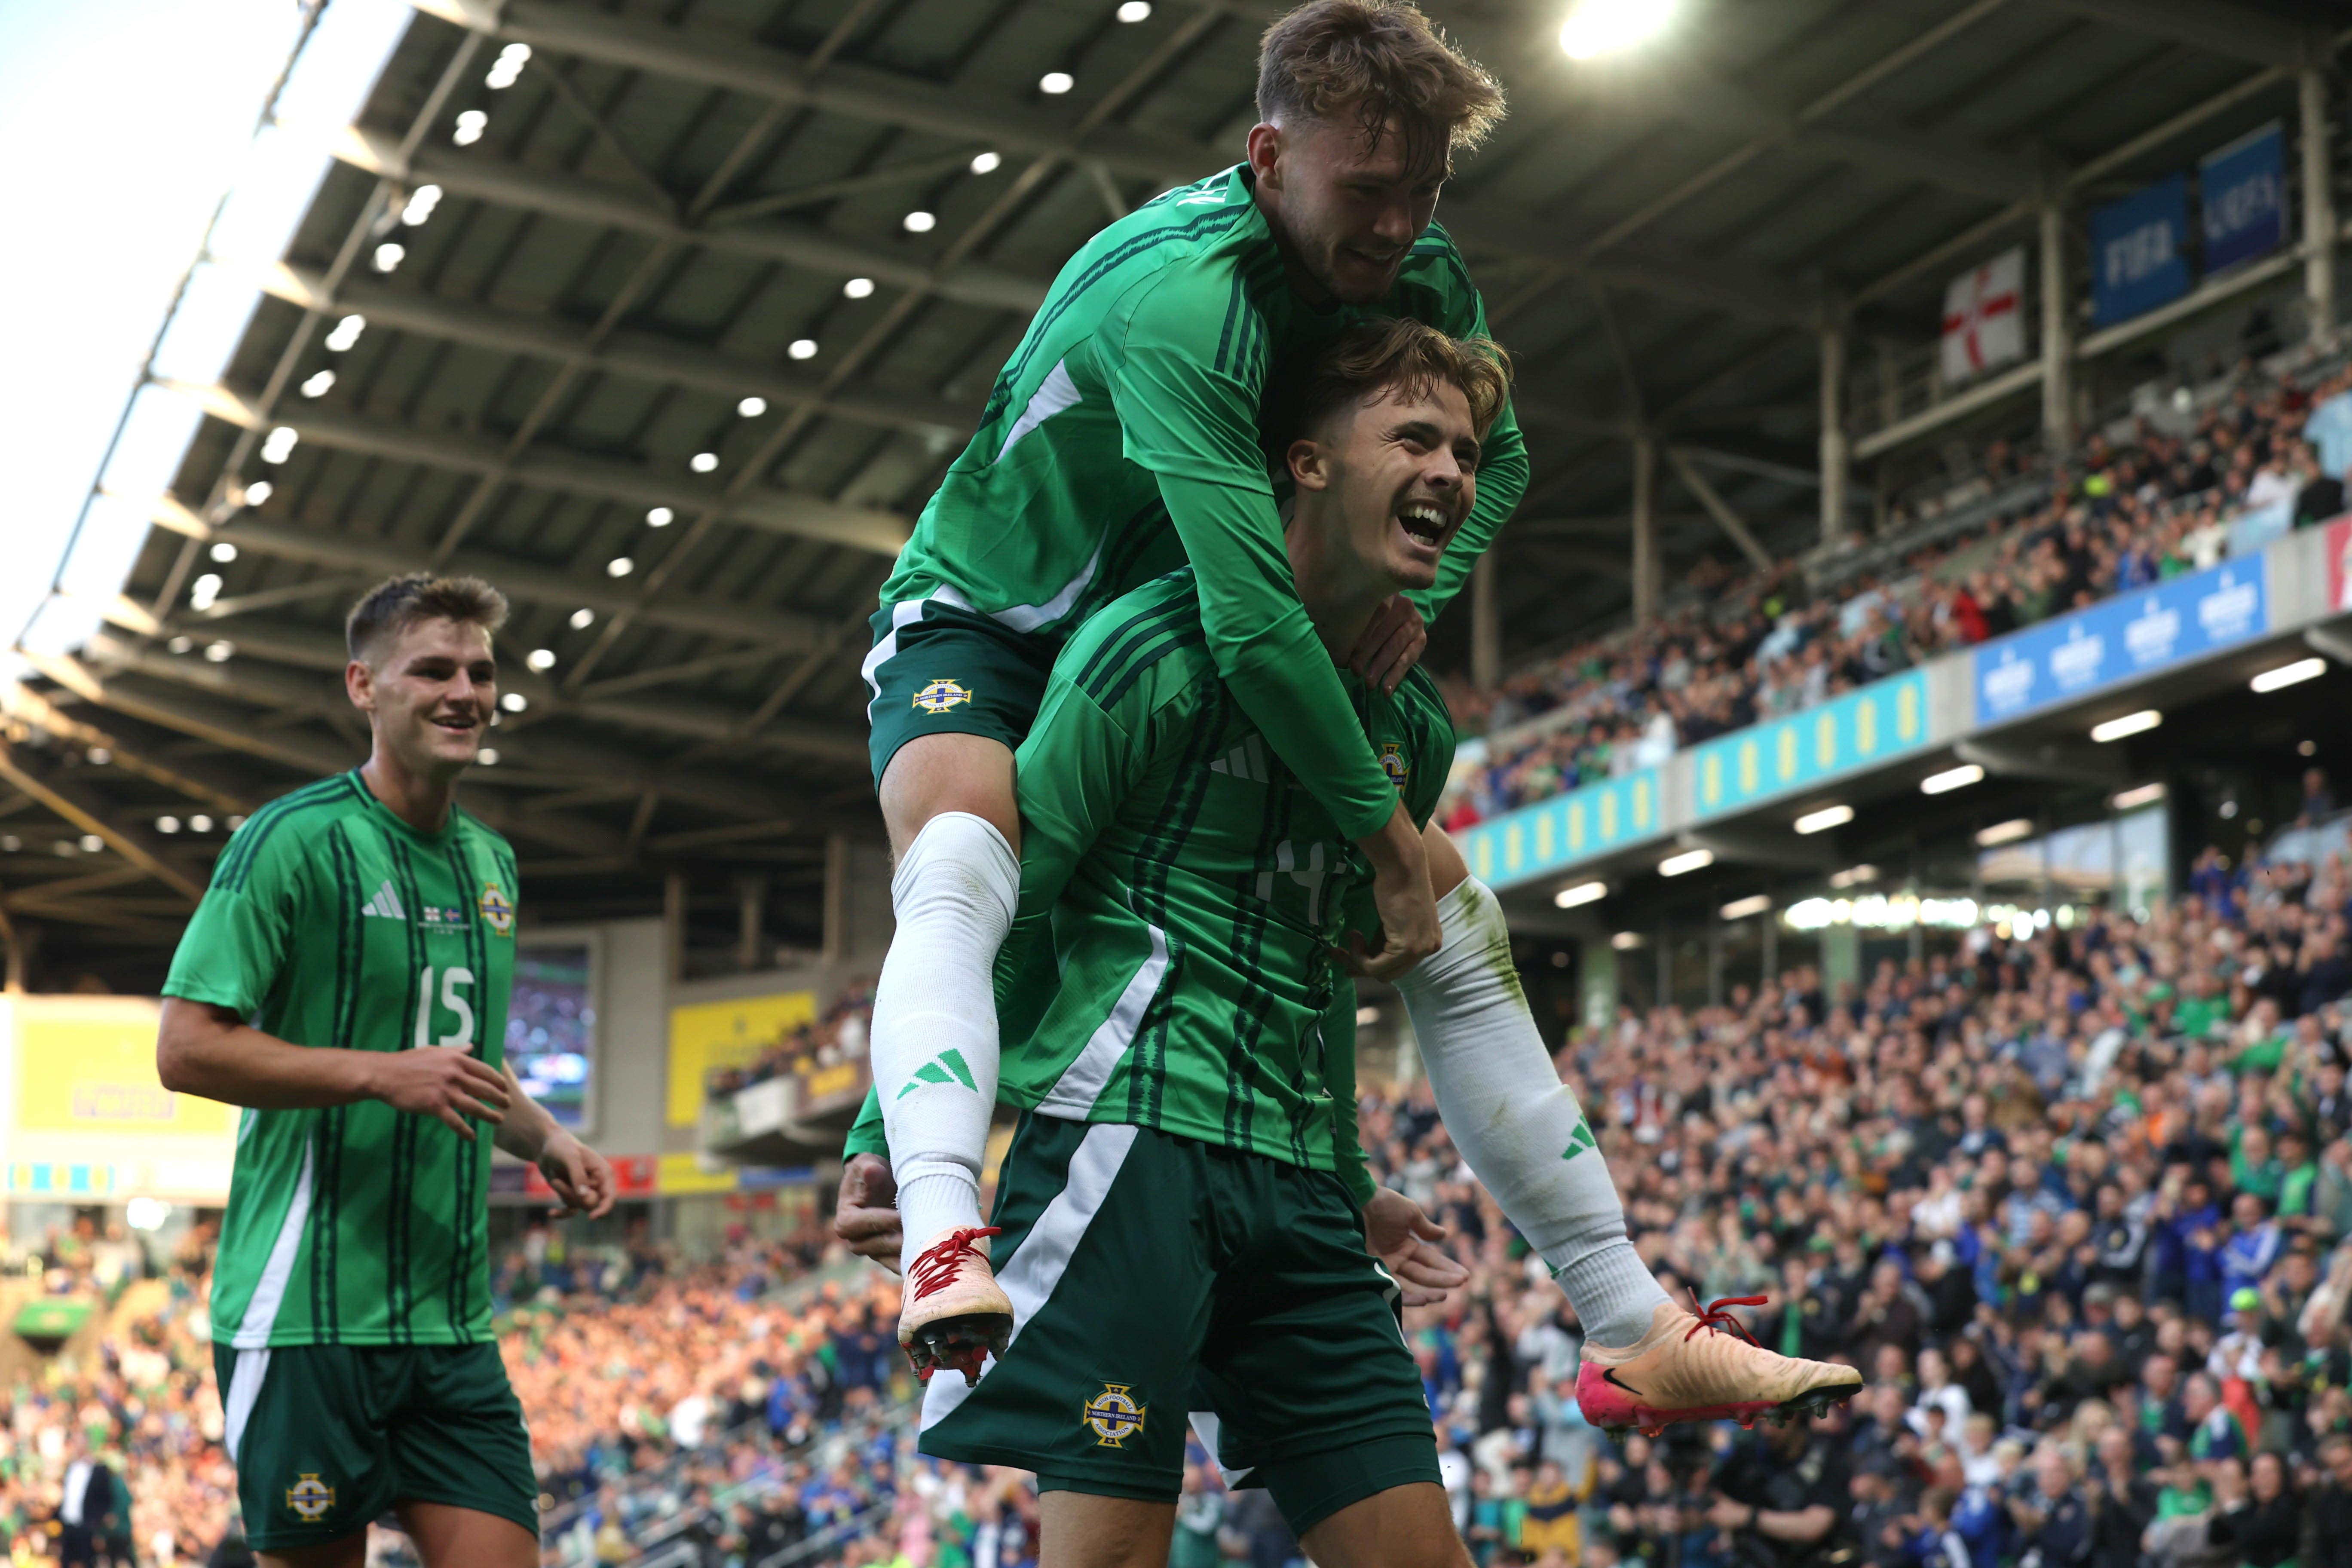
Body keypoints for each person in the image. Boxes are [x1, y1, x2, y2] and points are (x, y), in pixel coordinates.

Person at [854, 0, 1528, 1372]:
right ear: (1271, 159)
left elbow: (1500, 456)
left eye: (1426, 192)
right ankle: (935, 1218)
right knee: (976, 847)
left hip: (1171, 621)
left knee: (1421, 906)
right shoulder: (1177, 294)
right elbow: (1252, 621)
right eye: (1371, 190)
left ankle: (1628, 1308)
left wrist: (1412, 602)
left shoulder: (1423, 276)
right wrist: (1382, 838)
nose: (1401, 227)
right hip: (1000, 617)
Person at [154, 573, 619, 1568]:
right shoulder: (292, 841)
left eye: (481, 673)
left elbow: (458, 1054)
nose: (465, 693)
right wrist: (377, 1075)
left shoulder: (492, 863)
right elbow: (185, 1047)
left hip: (451, 1324)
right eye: (434, 670)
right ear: (365, 686)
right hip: (306, 1317)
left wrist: (547, 1138)